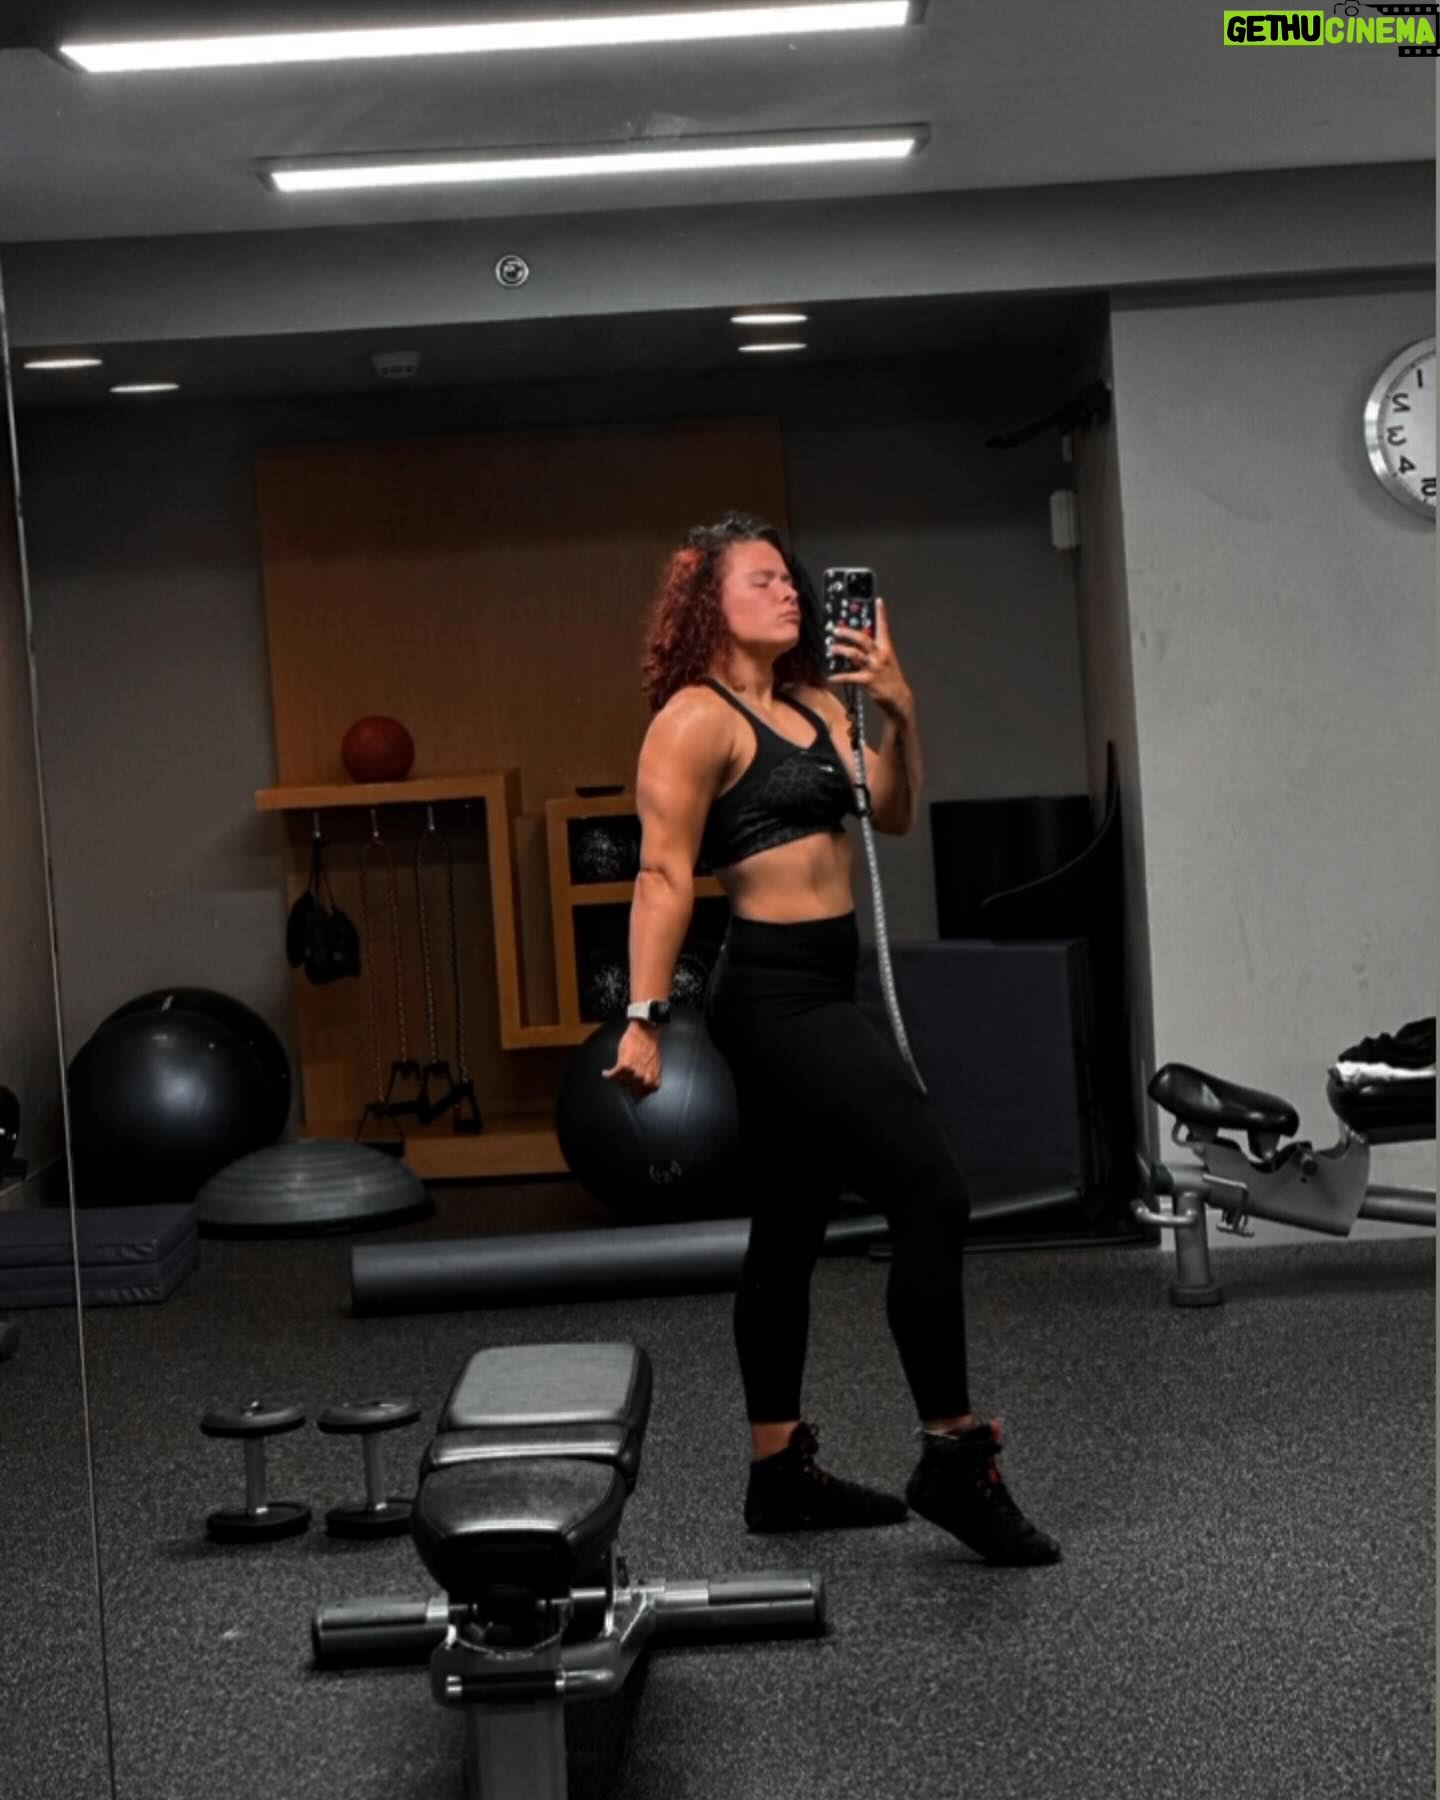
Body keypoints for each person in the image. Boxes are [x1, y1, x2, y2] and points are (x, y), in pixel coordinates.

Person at [603, 512, 1059, 1566]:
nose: (789, 593)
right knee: (932, 1196)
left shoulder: (816, 703)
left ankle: (778, 1475)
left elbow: (890, 814)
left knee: (789, 1229)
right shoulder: (693, 721)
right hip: (772, 998)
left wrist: (899, 710)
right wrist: (643, 1017)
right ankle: (953, 1457)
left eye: (791, 580)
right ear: (708, 601)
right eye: (761, 580)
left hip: (828, 979)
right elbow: (663, 873)